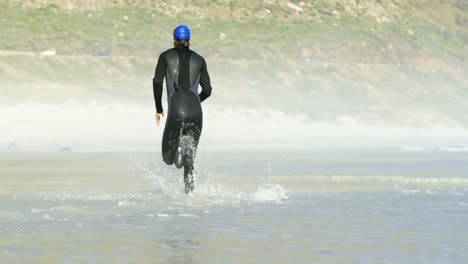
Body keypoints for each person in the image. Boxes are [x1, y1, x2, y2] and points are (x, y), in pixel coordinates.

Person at [152, 25, 212, 193]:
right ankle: (189, 197)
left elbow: (157, 82)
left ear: (174, 40)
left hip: (176, 110)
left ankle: (178, 148)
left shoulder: (165, 57)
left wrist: (159, 108)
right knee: (189, 160)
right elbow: (207, 91)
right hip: (195, 111)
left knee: (168, 158)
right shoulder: (200, 60)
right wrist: (196, 102)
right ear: (189, 41)